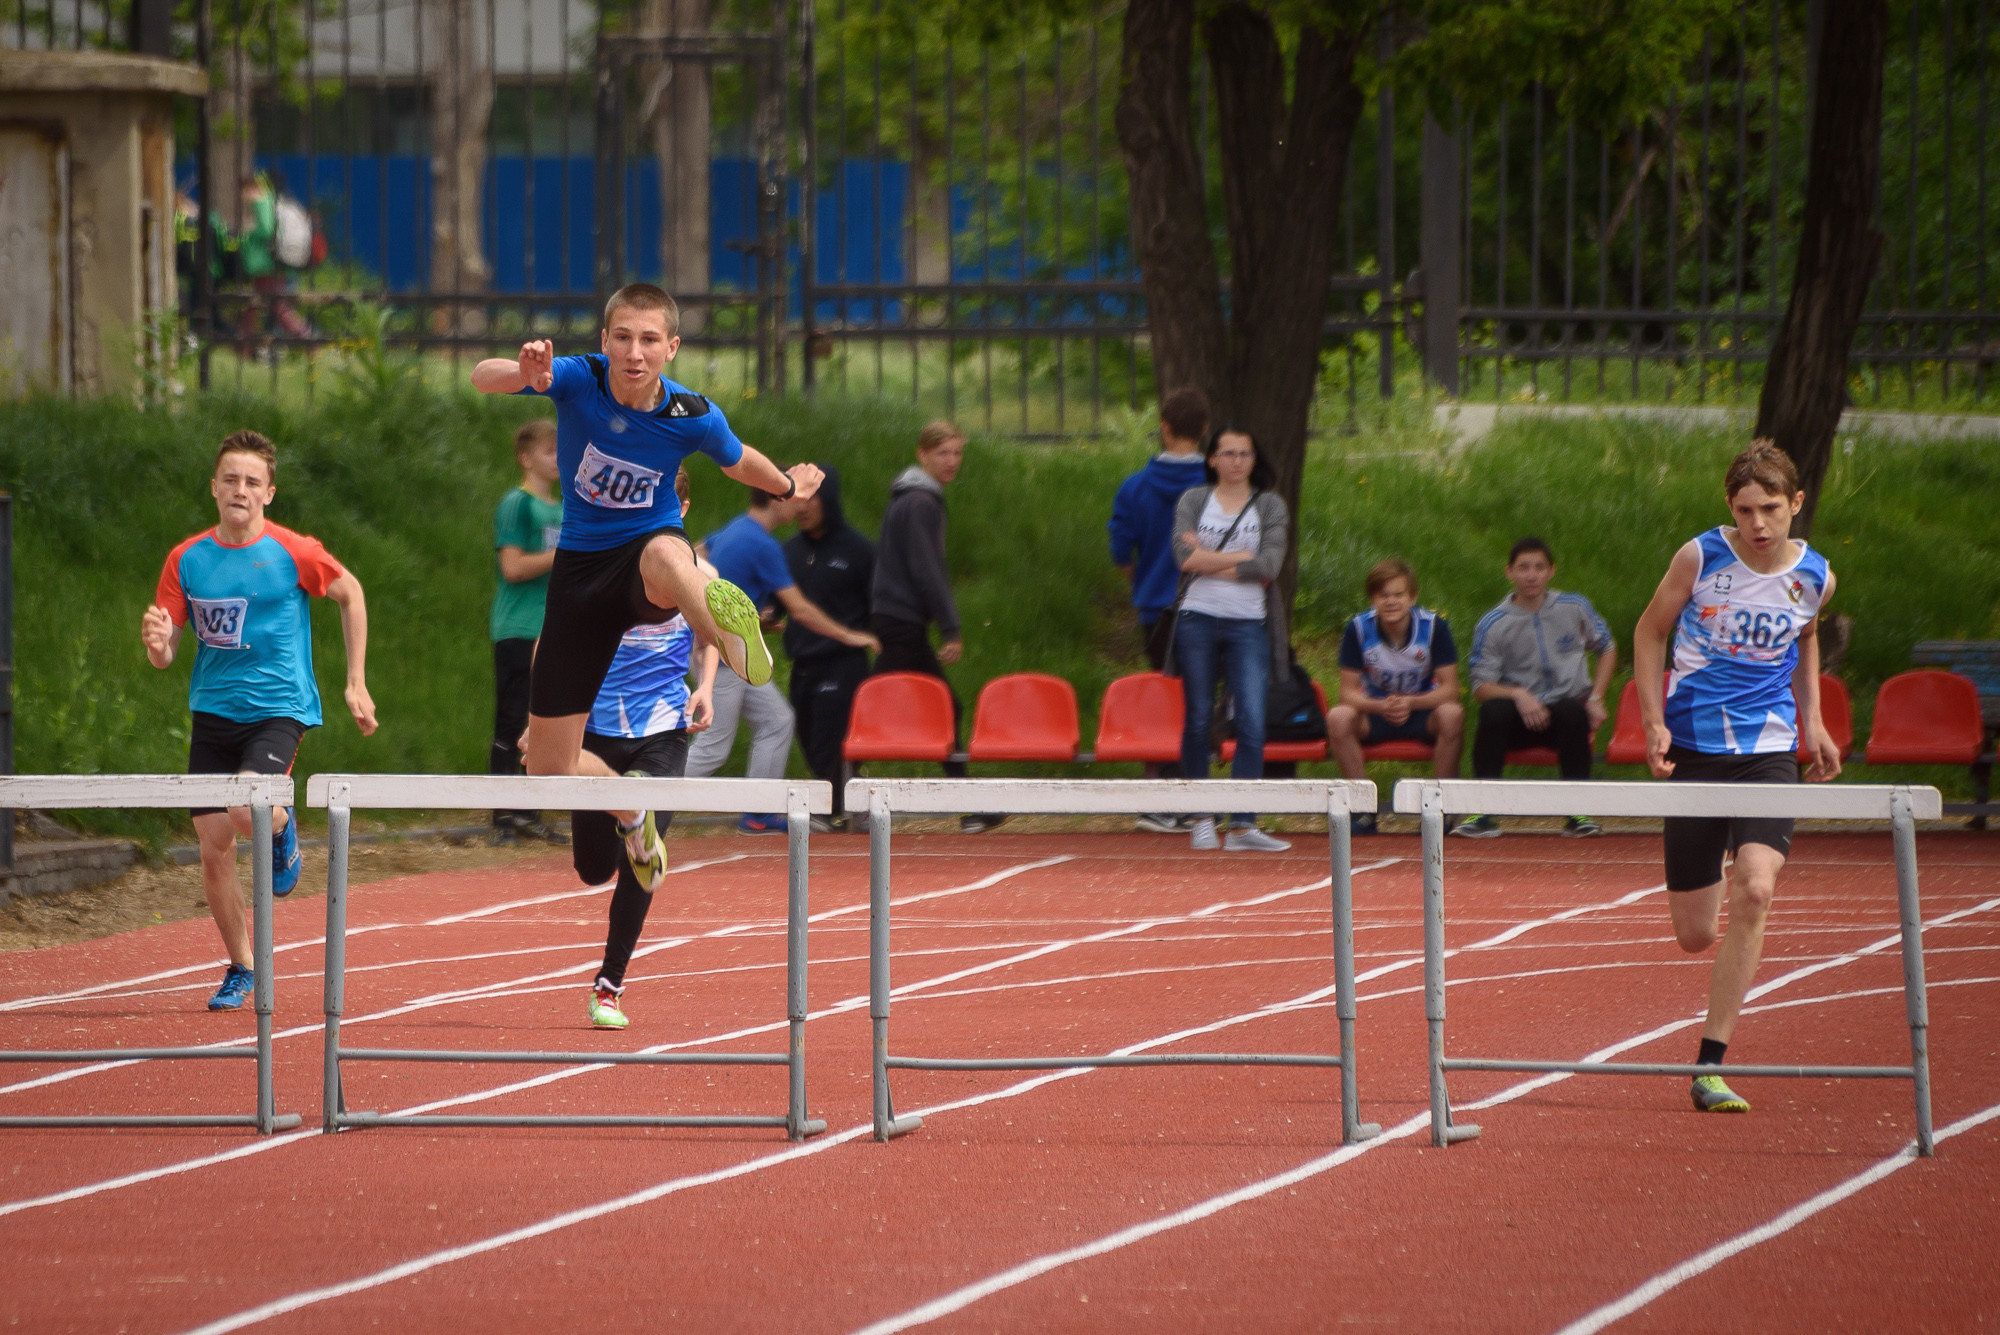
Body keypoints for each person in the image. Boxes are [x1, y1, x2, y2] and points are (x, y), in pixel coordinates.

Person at [469, 283, 819, 890]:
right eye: (623, 338)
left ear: (671, 348)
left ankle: (727, 633)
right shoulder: (580, 378)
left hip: (642, 561)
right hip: (579, 575)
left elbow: (738, 461)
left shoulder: (691, 413)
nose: (635, 353)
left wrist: (787, 487)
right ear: (605, 341)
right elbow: (482, 376)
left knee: (664, 550)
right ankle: (631, 811)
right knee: (546, 769)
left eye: (649, 340)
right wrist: (522, 372)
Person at [1632, 440, 1839, 1115]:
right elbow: (1648, 631)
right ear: (1731, 507)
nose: (1758, 523)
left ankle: (1710, 1063)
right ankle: (1715, 859)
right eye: (1746, 509)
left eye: (1771, 509)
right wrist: (1652, 721)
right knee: (1694, 933)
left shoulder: (1816, 575)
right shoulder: (1700, 557)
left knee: (1757, 885)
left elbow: (1805, 637)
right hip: (1694, 745)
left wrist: (1813, 722)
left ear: (1796, 504)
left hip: (1769, 748)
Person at [142, 430, 377, 1011]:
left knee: (248, 807)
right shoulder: (187, 559)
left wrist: (355, 681)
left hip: (279, 708)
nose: (240, 490)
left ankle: (280, 823)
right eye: (231, 479)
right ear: (214, 488)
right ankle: (242, 966)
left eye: (252, 482)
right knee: (213, 844)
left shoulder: (293, 551)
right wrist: (156, 645)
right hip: (212, 711)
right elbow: (166, 650)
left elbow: (352, 594)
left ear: (268, 493)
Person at [568, 466, 720, 1029]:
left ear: (681, 509)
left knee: (642, 859)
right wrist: (544, 720)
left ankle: (608, 987)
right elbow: (553, 646)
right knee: (591, 869)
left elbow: (712, 635)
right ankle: (629, 817)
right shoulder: (600, 567)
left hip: (663, 730)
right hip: (596, 737)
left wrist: (704, 686)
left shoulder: (703, 573)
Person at [688, 480, 879, 833]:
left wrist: (742, 612)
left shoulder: (736, 527)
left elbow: (695, 555)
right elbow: (801, 610)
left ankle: (757, 815)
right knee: (713, 746)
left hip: (729, 648)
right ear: (776, 498)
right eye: (795, 497)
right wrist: (851, 635)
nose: (801, 506)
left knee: (777, 719)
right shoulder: (763, 544)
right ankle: (639, 808)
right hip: (722, 651)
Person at [871, 421, 1002, 834]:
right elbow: (927, 569)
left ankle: (840, 799)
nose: (952, 462)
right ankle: (967, 808)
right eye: (943, 453)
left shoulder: (908, 498)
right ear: (922, 454)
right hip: (900, 620)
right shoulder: (921, 502)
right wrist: (950, 627)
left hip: (895, 618)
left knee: (883, 704)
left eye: (957, 453)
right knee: (943, 707)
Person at [1169, 426, 1292, 853]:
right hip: (1197, 619)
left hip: (1248, 624)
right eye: (1228, 453)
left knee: (1253, 721)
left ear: (1254, 460)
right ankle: (1201, 817)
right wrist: (1241, 557)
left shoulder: (1271, 505)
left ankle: (1242, 824)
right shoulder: (1193, 501)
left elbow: (1270, 565)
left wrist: (1209, 560)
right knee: (1199, 718)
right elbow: (1183, 559)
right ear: (1212, 459)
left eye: (1245, 453)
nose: (1237, 461)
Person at [1456, 537, 1616, 838]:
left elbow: (1606, 647)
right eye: (1524, 568)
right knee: (1493, 711)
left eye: (1539, 567)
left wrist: (1597, 697)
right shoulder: (1494, 623)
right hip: (1518, 718)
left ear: (1551, 571)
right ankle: (1483, 810)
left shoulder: (1574, 607)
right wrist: (1518, 694)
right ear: (1509, 572)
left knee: (1572, 711)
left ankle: (1576, 812)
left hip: (1564, 716)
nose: (1531, 575)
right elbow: (1480, 686)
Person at [1109, 386, 1212, 833]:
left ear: (1164, 428)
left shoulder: (1135, 486)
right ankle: (1192, 796)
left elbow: (1120, 548)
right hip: (1209, 607)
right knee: (1200, 702)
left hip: (1156, 606)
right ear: (1205, 430)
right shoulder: (1215, 487)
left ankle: (1162, 794)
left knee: (1166, 697)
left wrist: (1143, 581)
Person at [1327, 559, 1465, 834]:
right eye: (1383, 595)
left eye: (1398, 595)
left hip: (1422, 710)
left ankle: (1437, 811)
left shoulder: (1434, 627)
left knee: (1453, 714)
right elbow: (1347, 693)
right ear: (1373, 599)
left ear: (1412, 597)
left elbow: (1451, 688)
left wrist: (1412, 702)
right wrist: (1380, 705)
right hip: (1377, 711)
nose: (1391, 602)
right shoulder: (1358, 629)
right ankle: (1362, 809)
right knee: (1338, 717)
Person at [782, 463, 876, 833]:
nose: (802, 507)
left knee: (830, 738)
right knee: (808, 736)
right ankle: (849, 805)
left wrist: (870, 635)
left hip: (843, 662)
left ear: (829, 500)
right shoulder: (788, 551)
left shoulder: (859, 550)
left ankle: (834, 809)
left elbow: (876, 603)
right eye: (797, 499)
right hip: (801, 662)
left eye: (811, 499)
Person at [489, 420, 567, 844]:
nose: (557, 459)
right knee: (512, 719)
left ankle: (528, 811)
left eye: (561, 451)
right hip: (519, 627)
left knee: (544, 722)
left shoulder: (567, 507)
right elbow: (513, 567)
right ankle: (502, 815)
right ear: (526, 457)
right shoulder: (517, 504)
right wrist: (562, 555)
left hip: (553, 631)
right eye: (548, 451)